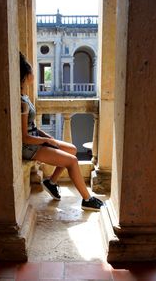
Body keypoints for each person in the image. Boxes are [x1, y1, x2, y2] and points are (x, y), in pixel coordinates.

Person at [20, 52, 103, 211]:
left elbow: (32, 128)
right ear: (25, 76)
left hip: (36, 141)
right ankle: (87, 199)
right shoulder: (22, 102)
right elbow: (24, 137)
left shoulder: (25, 98)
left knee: (72, 149)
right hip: (29, 148)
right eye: (31, 71)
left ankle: (50, 182)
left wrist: (46, 136)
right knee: (72, 161)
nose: (34, 74)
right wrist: (47, 142)